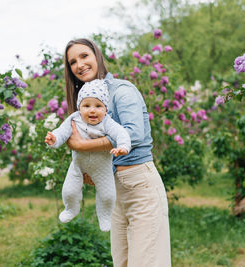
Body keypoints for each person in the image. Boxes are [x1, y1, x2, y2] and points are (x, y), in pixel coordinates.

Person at [63, 38, 171, 267]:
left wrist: (83, 146)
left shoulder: (121, 90)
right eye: (73, 61)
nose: (79, 64)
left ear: (97, 56)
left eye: (84, 56)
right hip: (113, 189)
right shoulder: (87, 103)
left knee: (147, 262)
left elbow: (134, 134)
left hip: (140, 186)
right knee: (121, 262)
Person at [45, 78, 131, 232]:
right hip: (78, 166)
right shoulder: (74, 118)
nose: (92, 110)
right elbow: (63, 131)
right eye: (86, 106)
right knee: (69, 191)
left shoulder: (107, 122)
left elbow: (121, 133)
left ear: (105, 109)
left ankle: (104, 216)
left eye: (98, 106)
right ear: (79, 107)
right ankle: (71, 209)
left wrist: (123, 147)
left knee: (108, 195)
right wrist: (54, 139)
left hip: (102, 167)